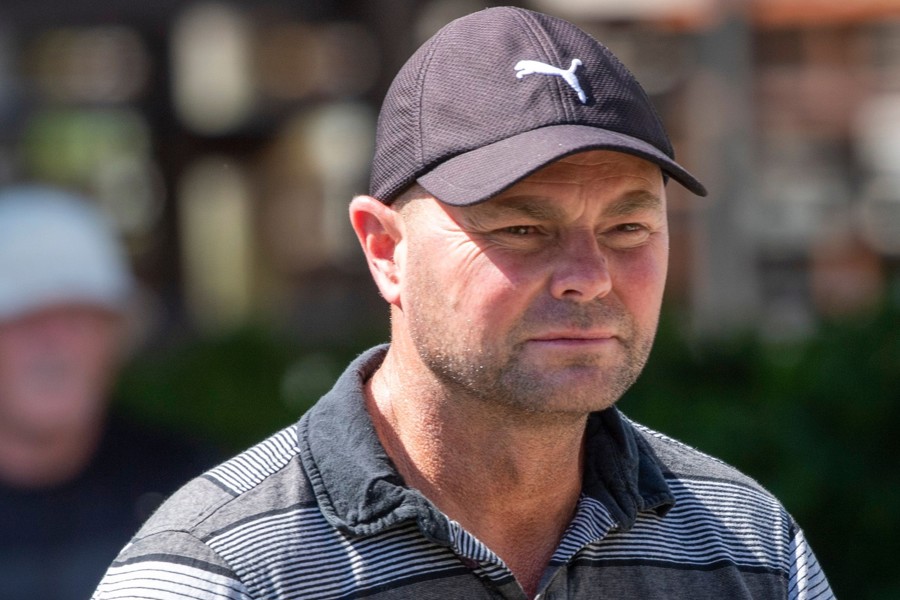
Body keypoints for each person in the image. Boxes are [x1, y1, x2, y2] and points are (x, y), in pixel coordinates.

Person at [92, 7, 834, 600]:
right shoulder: (216, 573)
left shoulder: (750, 546)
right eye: (522, 229)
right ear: (385, 249)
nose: (589, 277)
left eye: (627, 228)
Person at [0, 186, 221, 600]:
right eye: (25, 320)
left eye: (78, 319)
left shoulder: (196, 492)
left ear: (118, 337)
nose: (54, 344)